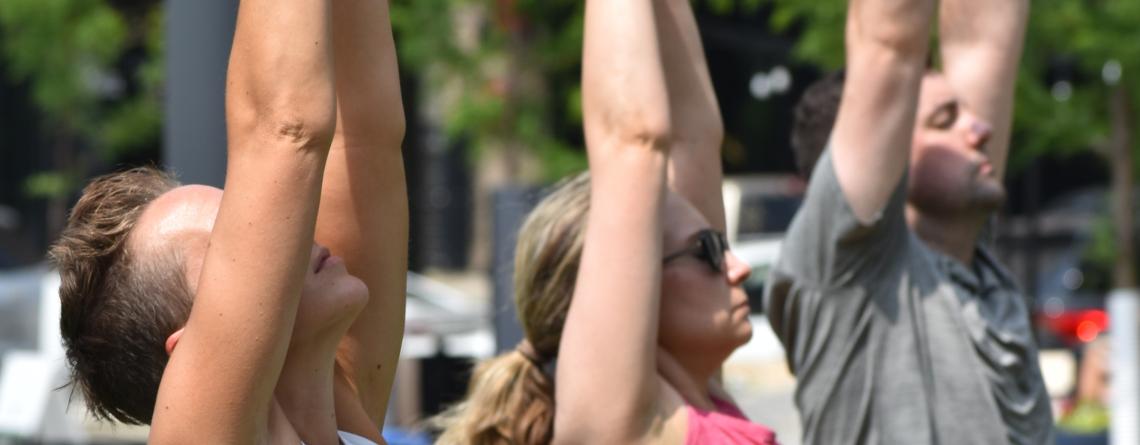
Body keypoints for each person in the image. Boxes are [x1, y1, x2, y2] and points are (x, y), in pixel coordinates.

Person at [47, 0, 406, 442]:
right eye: (230, 241)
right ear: (191, 358)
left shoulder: (342, 422)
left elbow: (363, 137)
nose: (283, 229)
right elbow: (285, 129)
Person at [433, 0, 779, 444]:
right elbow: (633, 140)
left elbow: (694, 136)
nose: (738, 267)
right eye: (706, 252)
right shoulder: (622, 423)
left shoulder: (699, 400)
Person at [767, 0, 1052, 442]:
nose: (980, 129)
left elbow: (984, 36)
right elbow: (889, 41)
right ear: (889, 157)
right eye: (946, 121)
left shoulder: (971, 261)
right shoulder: (852, 270)